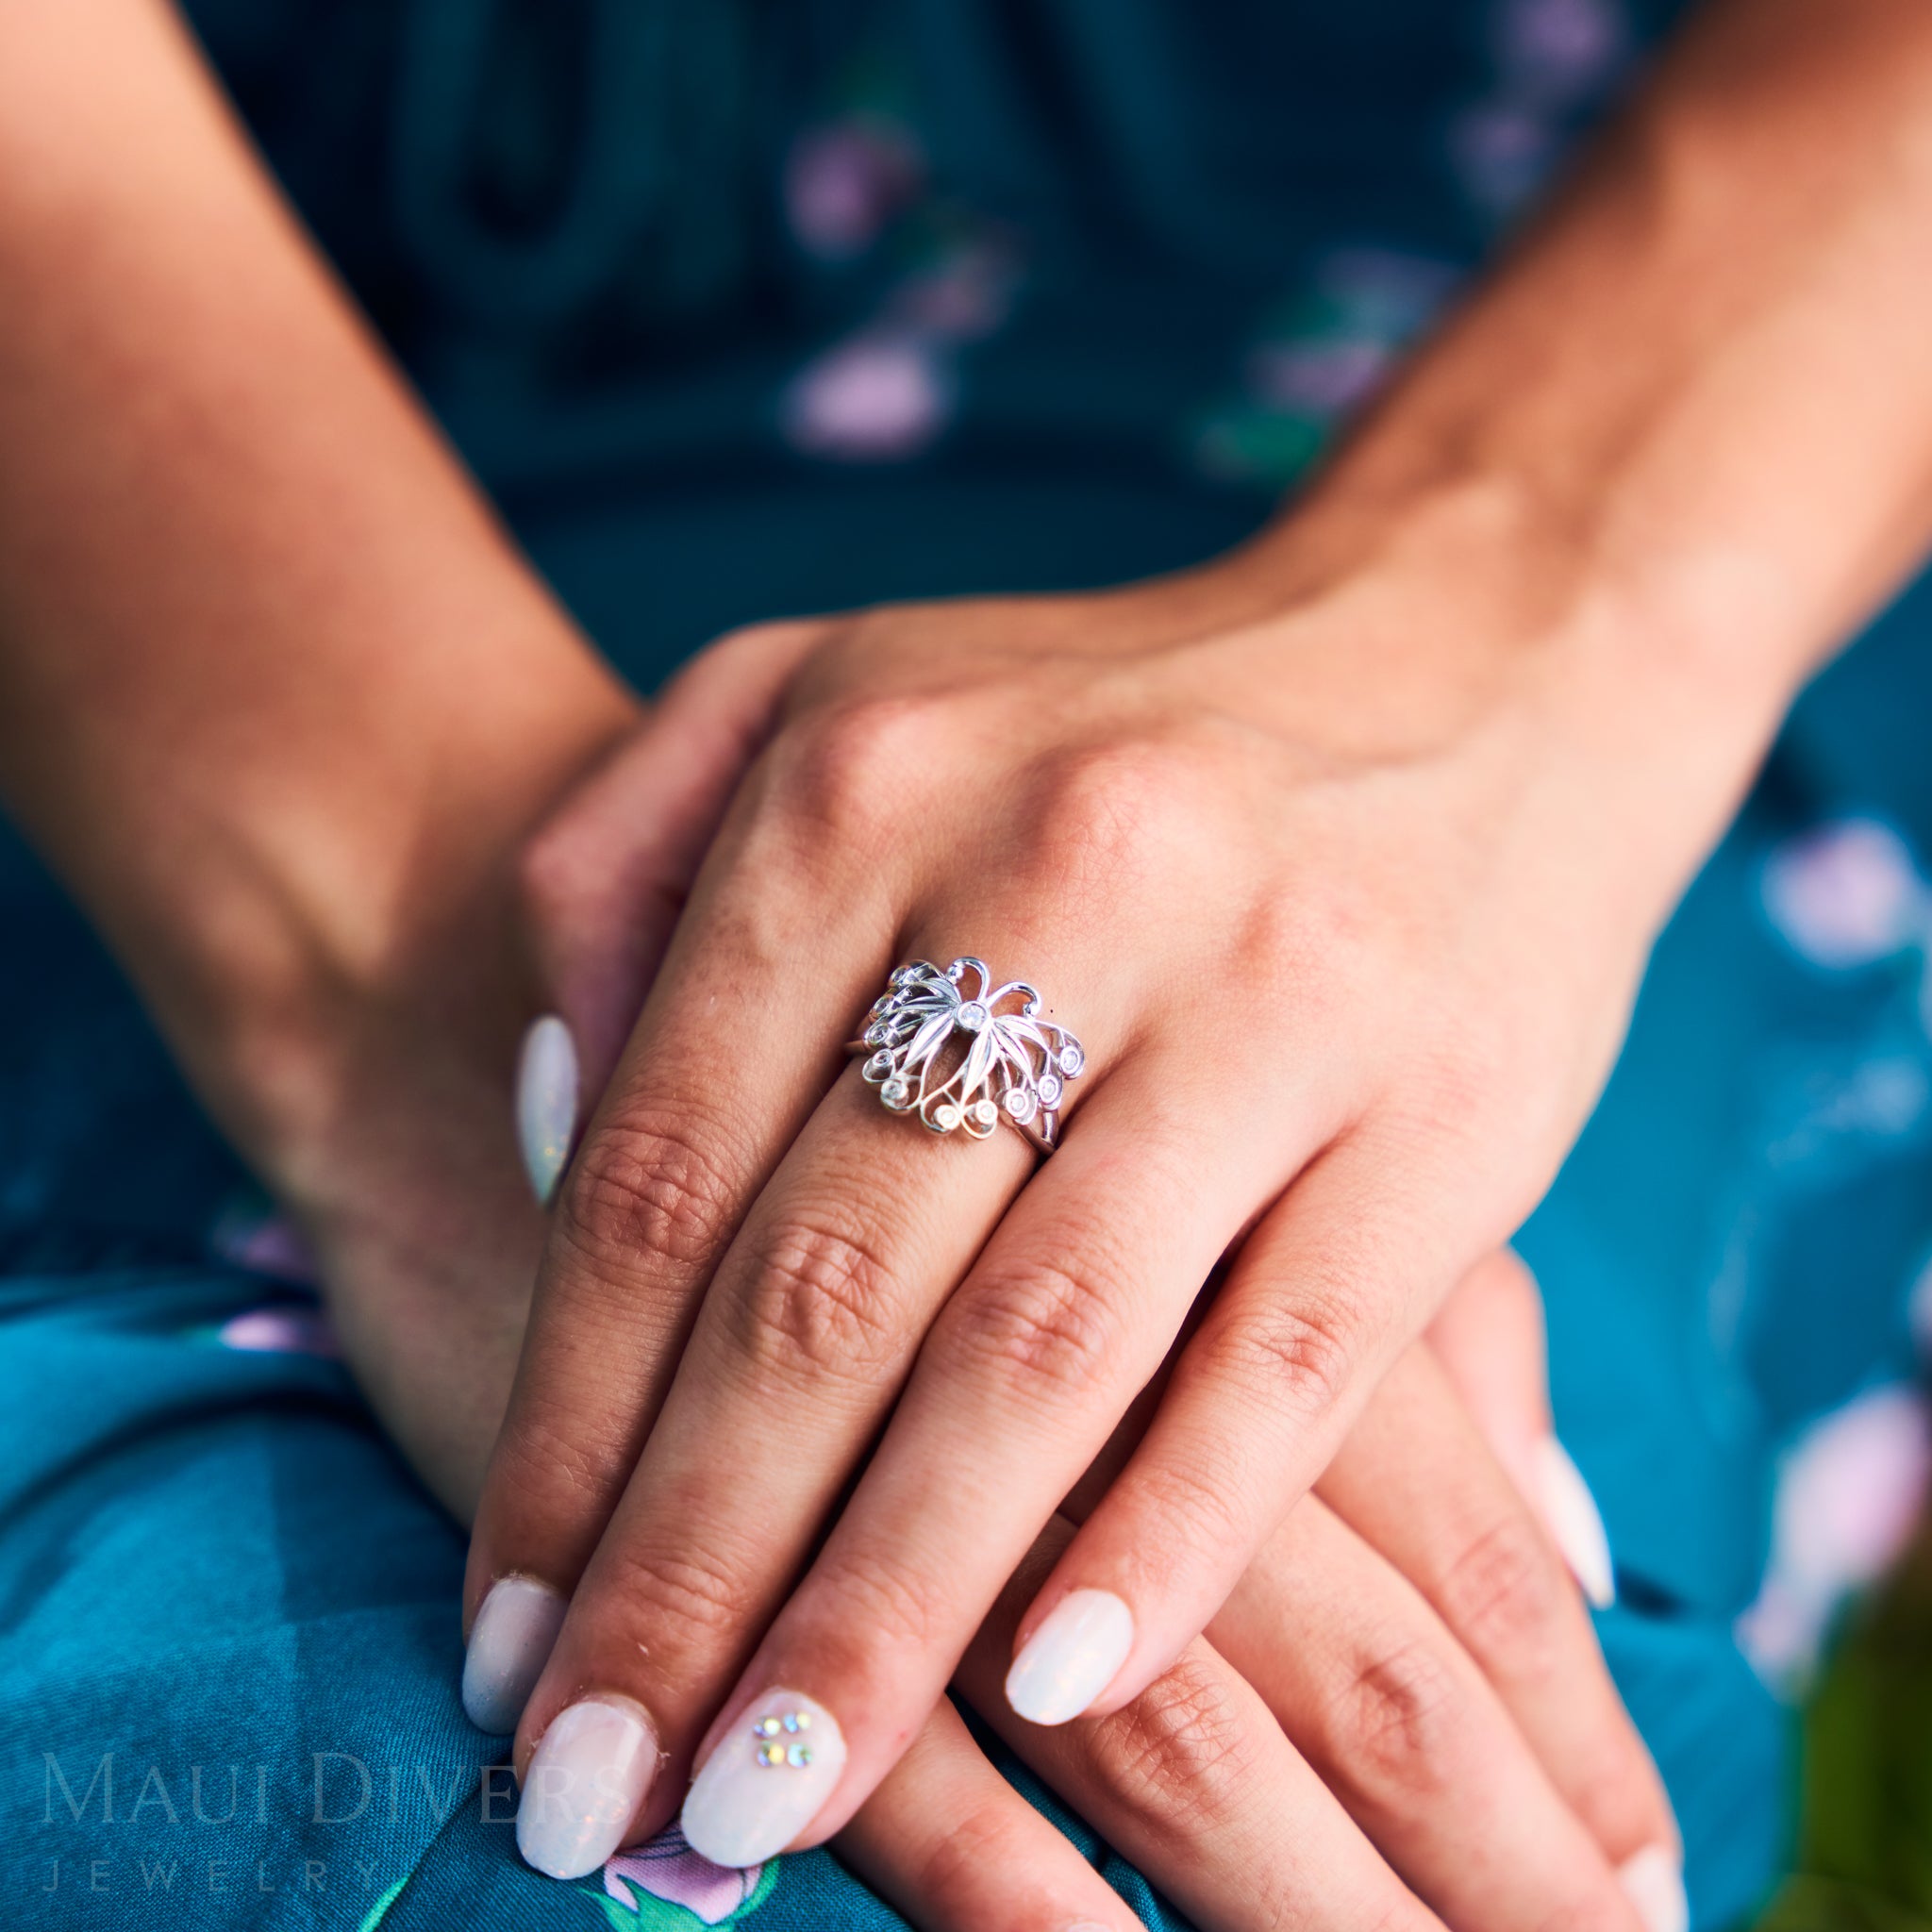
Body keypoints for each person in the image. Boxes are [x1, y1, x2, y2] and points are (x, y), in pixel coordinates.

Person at [5, 1, 1932, 1927]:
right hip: (147, 468)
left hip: (1647, 367)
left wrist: (1513, 617)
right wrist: (397, 934)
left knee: (1324, 1640)